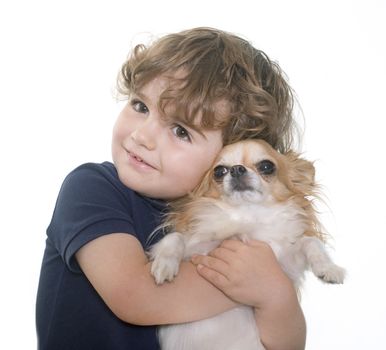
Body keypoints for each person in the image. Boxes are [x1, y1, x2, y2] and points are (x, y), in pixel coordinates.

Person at [36, 27, 306, 350]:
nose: (142, 136)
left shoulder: (224, 232)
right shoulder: (91, 189)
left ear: (228, 156)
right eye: (140, 106)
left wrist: (278, 299)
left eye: (180, 130)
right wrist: (265, 284)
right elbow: (135, 295)